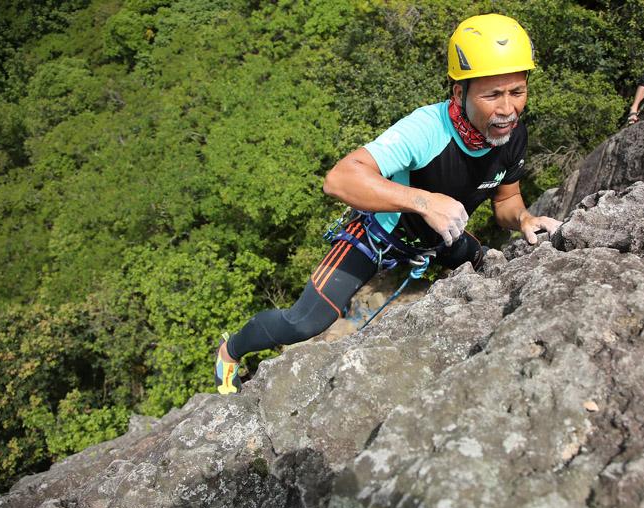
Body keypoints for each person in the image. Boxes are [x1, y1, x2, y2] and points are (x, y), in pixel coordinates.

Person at [214, 13, 563, 394]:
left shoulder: (512, 136)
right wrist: (423, 201)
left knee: (488, 266)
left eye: (517, 91)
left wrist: (525, 219)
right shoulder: (427, 129)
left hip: (440, 239)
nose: (508, 109)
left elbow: (507, 198)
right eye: (492, 94)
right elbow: (340, 178)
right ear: (459, 92)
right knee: (304, 324)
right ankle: (231, 351)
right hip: (377, 237)